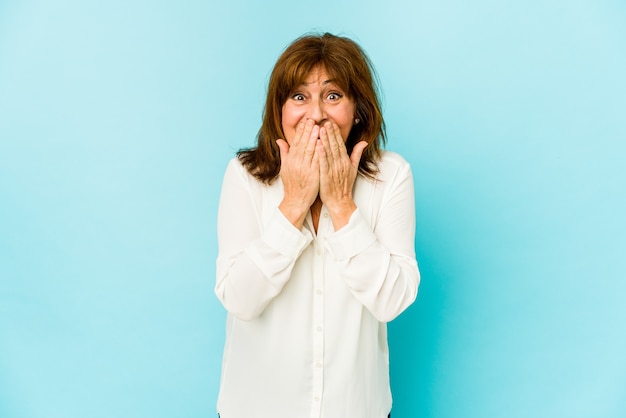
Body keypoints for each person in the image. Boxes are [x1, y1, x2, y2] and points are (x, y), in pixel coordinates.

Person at [215, 32, 420, 418]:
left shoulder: (392, 176)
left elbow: (392, 300)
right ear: (279, 109)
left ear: (357, 108)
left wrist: (343, 205)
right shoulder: (245, 176)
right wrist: (293, 204)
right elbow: (239, 300)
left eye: (332, 95)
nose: (316, 114)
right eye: (299, 96)